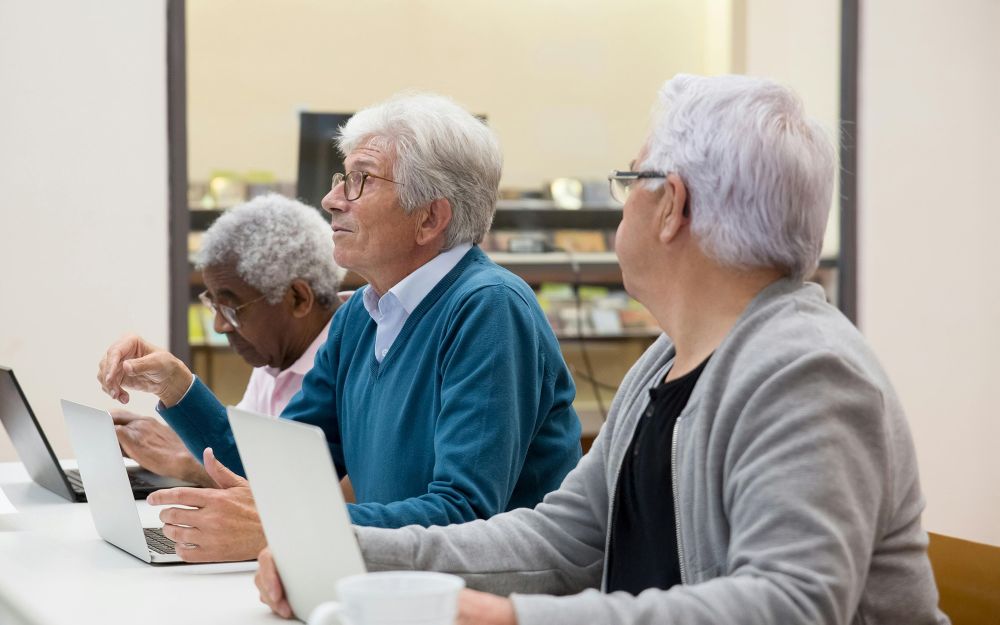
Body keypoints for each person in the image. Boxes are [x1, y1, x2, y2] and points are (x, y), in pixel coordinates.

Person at [256, 75, 950, 625]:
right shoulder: (664, 362)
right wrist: (344, 552)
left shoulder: (806, 371)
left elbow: (790, 605)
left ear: (672, 206)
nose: (623, 205)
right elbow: (561, 538)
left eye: (632, 180)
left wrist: (512, 616)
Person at [97, 92, 582, 563]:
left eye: (359, 180)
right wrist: (177, 387)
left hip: (488, 596)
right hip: (391, 585)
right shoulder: (360, 317)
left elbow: (465, 516)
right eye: (340, 178)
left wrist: (285, 527)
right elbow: (278, 470)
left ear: (430, 217)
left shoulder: (489, 309)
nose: (330, 200)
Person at [108, 193, 345, 489]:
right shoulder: (276, 357)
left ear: (297, 298)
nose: (219, 325)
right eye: (214, 305)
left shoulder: (352, 357)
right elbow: (240, 455)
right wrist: (181, 438)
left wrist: (186, 462)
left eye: (232, 309)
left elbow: (295, 488)